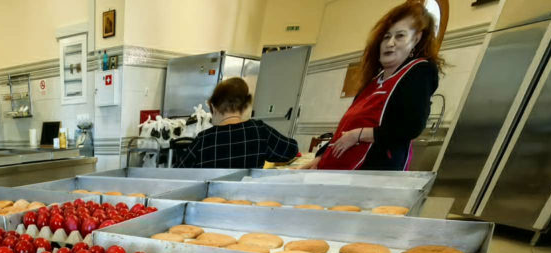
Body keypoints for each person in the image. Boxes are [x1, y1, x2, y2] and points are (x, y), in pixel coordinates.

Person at [315, 1, 443, 170]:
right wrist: (321, 157)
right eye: (386, 37)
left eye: (400, 36)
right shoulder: (375, 80)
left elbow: (411, 125)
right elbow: (346, 126)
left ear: (416, 38)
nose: (390, 43)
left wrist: (358, 135)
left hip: (375, 173)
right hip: (342, 173)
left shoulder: (419, 70)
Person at [176, 77, 297, 169]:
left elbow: (179, 171)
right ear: (244, 107)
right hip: (247, 199)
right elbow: (291, 150)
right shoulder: (259, 130)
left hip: (210, 199)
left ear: (214, 106)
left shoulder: (204, 139)